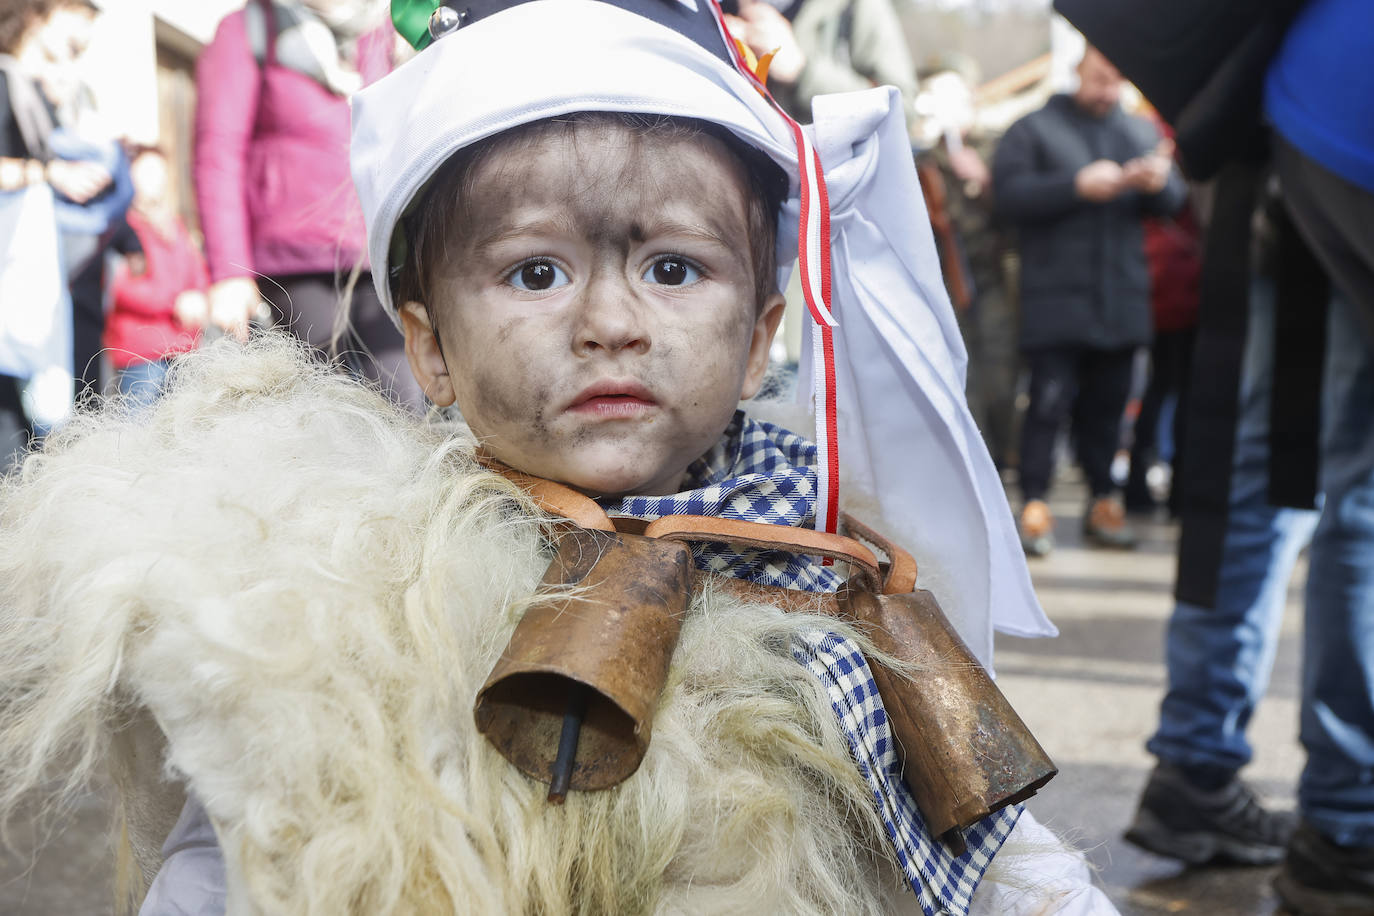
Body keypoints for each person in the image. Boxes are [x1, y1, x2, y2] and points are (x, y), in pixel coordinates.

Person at [0, 1, 1115, 913]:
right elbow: (255, 842)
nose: (612, 322)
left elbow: (1011, 866)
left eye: (675, 268)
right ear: (429, 343)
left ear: (762, 334)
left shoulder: (841, 576)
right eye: (536, 272)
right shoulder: (337, 597)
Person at [992, 47, 1185, 557]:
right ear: (1079, 68)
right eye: (1100, 77)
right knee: (1047, 407)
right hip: (1055, 299)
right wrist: (1074, 186)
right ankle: (1034, 503)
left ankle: (1105, 499)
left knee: (1110, 410)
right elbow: (1006, 197)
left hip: (1120, 299)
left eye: (1116, 80)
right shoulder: (1032, 129)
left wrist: (1159, 184)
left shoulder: (1140, 132)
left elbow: (1176, 203)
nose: (1107, 90)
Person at [194, 0, 422, 409]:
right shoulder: (248, 29)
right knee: (321, 406)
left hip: (381, 255)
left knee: (407, 400)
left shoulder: (390, 32)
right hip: (293, 266)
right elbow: (218, 153)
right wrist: (229, 273)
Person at [103, 147, 207, 406]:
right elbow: (123, 286)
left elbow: (197, 270)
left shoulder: (175, 225)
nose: (156, 179)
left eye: (161, 171)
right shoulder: (121, 227)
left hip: (184, 347)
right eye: (148, 171)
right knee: (138, 430)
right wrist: (175, 302)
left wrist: (199, 297)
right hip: (143, 354)